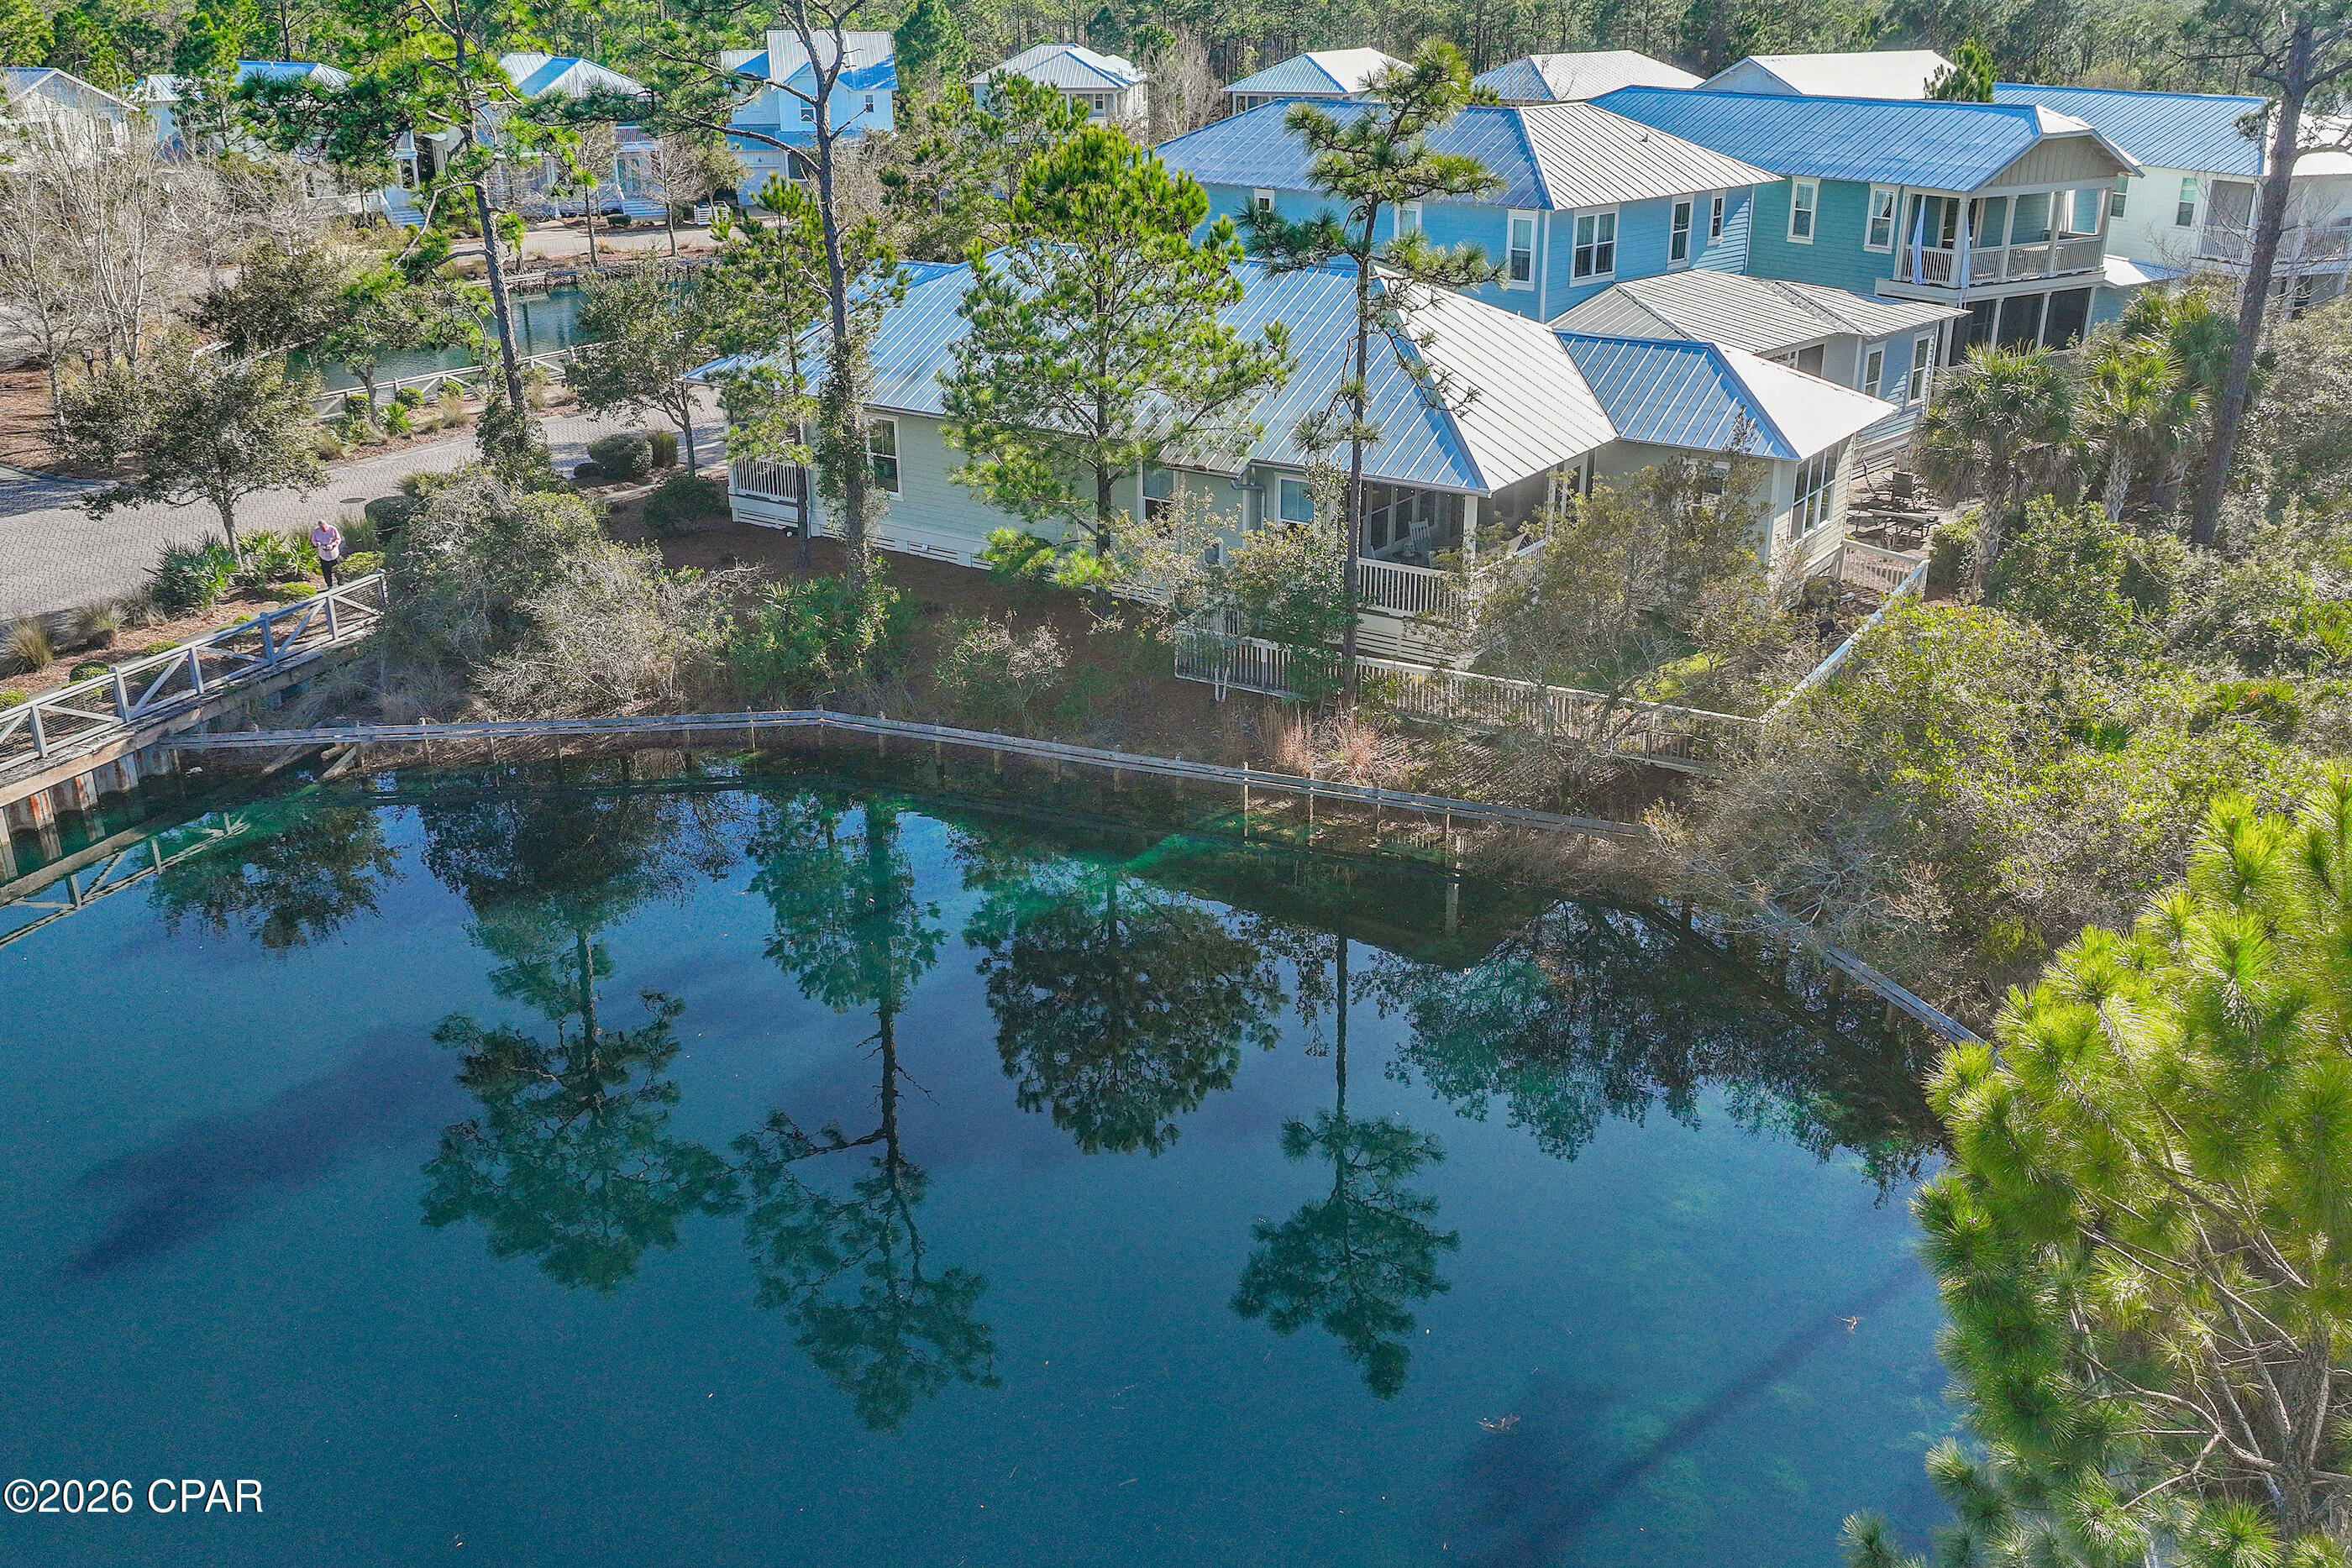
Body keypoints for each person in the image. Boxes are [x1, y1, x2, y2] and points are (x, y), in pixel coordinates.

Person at [310, 518, 344, 588]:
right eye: (322, 529)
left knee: (338, 569)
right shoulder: (316, 531)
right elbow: (313, 540)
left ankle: (341, 582)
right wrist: (317, 544)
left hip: (334, 554)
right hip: (323, 555)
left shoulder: (333, 529)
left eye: (325, 528)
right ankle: (329, 585)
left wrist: (333, 545)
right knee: (326, 571)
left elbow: (338, 539)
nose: (324, 530)